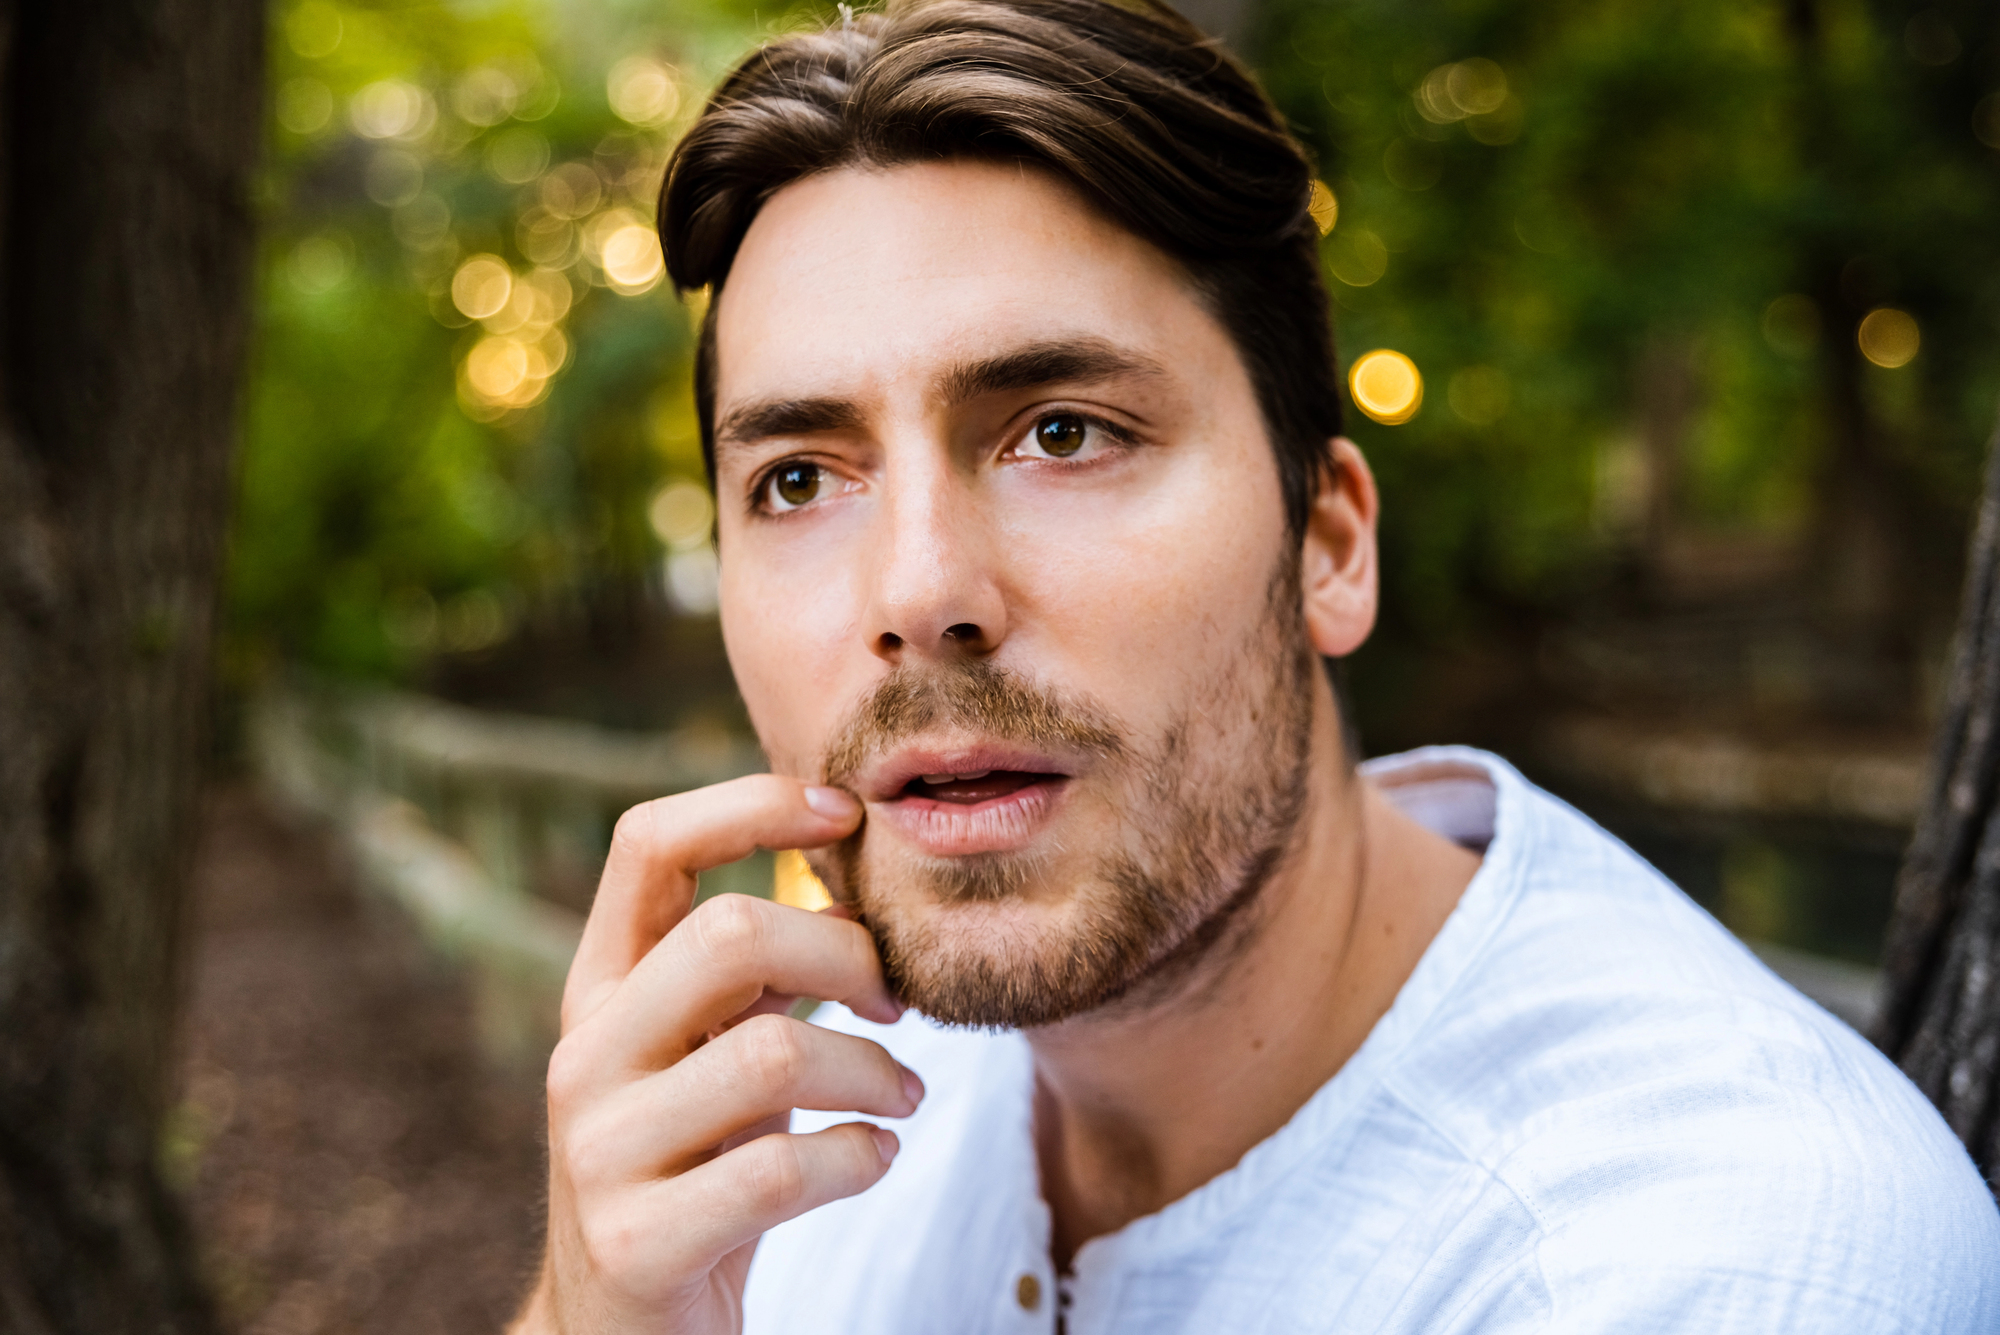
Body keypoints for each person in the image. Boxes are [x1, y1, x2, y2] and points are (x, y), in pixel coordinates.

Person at [509, 0, 2000, 1330]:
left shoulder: (1720, 1266)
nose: (916, 594)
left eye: (1063, 433)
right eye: (799, 480)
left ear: (1329, 545)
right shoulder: (809, 1118)